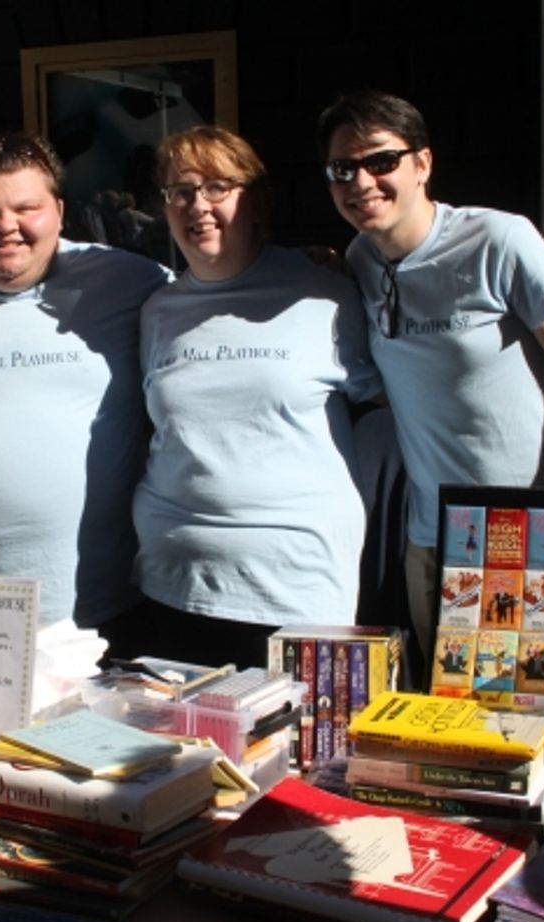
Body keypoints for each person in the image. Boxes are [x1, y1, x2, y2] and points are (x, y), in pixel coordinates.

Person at [318, 90, 544, 674]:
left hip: (529, 529)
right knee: (453, 709)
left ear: (422, 163)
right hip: (432, 534)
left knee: (540, 704)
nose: (362, 182)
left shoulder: (499, 241)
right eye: (342, 169)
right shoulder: (359, 261)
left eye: (381, 161)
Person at [0, 133, 172, 632]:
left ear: (59, 211)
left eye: (26, 208)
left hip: (104, 608)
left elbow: (209, 304)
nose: (7, 227)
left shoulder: (130, 281)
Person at [129, 126, 382, 670]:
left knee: (301, 728)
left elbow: (388, 405)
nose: (198, 205)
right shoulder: (155, 310)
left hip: (297, 586)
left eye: (217, 187)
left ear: (257, 200)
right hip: (173, 582)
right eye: (180, 191)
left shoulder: (325, 292)